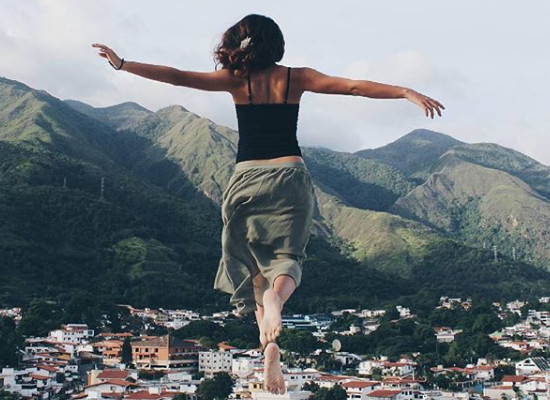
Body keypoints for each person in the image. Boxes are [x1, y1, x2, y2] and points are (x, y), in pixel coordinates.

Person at [92, 13, 444, 395]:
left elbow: (177, 76)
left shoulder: (235, 80)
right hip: (291, 177)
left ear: (239, 43)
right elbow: (354, 87)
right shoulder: (296, 78)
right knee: (287, 257)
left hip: (247, 179)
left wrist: (123, 64)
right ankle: (275, 312)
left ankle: (268, 338)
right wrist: (406, 91)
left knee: (252, 265)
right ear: (276, 44)